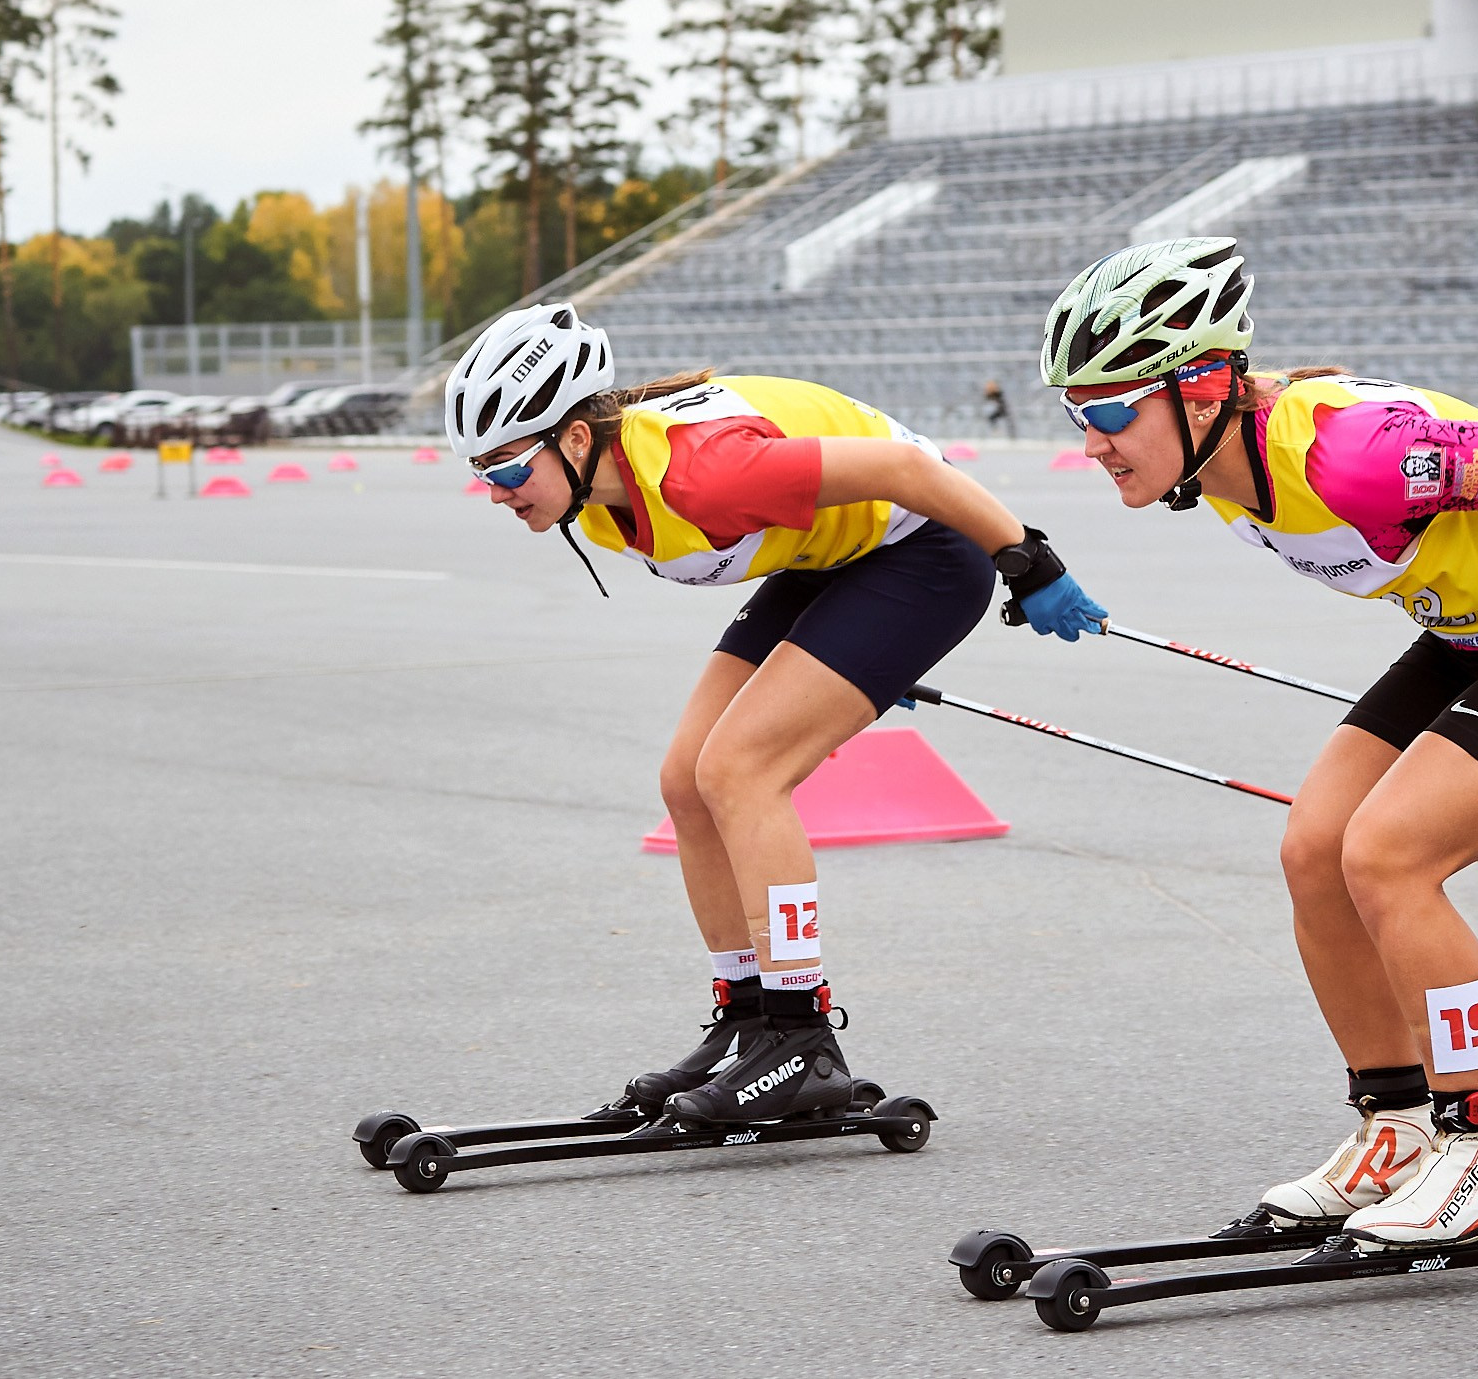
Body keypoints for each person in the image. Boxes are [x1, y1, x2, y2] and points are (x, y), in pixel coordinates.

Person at [1040, 237, 1478, 1250]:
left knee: (1388, 856)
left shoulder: (1354, 454)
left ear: (1199, 390)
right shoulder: (1224, 456)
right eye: (1077, 415)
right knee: (1314, 849)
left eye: (1112, 411)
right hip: (1471, 633)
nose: (1092, 441)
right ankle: (1400, 1129)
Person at [445, 303, 1106, 1125]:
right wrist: (855, 651)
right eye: (482, 472)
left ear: (577, 438)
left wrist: (1027, 559)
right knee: (686, 780)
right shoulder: (599, 494)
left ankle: (802, 1037)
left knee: (741, 770)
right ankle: (751, 1017)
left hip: (928, 548)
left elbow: (907, 468)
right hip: (831, 555)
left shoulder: (703, 471)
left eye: (508, 466)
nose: (496, 492)